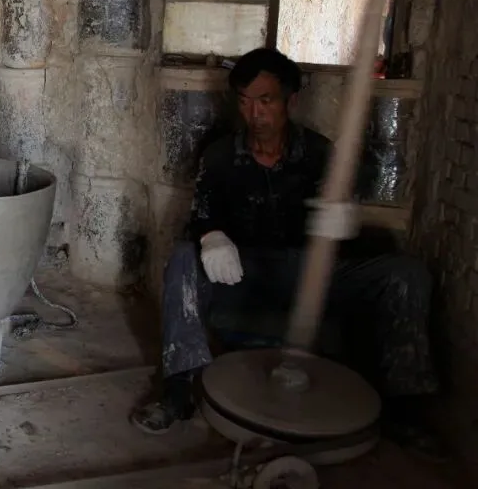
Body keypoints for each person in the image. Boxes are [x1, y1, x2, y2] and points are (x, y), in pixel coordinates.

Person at [130, 48, 439, 451]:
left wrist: (346, 221)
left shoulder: (320, 154)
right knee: (183, 259)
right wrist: (211, 237)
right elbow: (202, 214)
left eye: (266, 101)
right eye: (245, 101)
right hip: (246, 275)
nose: (254, 113)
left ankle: (404, 406)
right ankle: (179, 388)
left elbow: (345, 221)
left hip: (314, 276)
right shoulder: (221, 156)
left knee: (406, 274)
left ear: (291, 102)